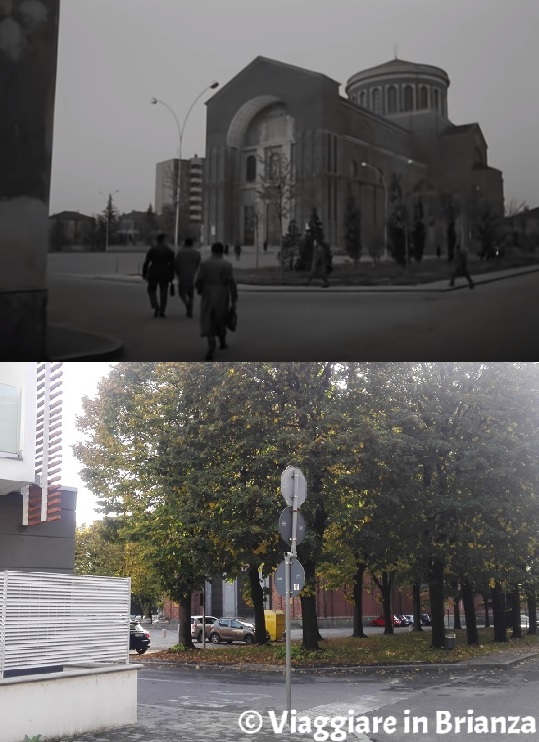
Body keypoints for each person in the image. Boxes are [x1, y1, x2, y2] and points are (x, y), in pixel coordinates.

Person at [195, 242, 238, 361]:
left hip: (208, 292)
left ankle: (211, 341)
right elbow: (232, 283)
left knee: (208, 316)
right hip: (222, 293)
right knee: (221, 316)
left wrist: (200, 290)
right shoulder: (227, 265)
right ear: (223, 251)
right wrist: (234, 298)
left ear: (212, 251)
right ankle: (222, 340)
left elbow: (199, 280)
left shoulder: (205, 264)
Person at [142, 233, 175, 317]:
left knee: (151, 290)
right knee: (163, 292)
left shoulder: (152, 250)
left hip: (153, 272)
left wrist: (144, 273)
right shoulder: (169, 251)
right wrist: (172, 275)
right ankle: (162, 310)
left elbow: (146, 263)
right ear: (164, 240)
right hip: (165, 272)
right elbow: (173, 264)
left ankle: (155, 305)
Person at [174, 237, 201, 318]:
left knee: (181, 293)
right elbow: (198, 264)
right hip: (192, 275)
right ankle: (189, 310)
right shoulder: (196, 253)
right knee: (191, 294)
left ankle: (187, 304)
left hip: (182, 275)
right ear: (192, 244)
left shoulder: (180, 253)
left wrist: (177, 273)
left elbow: (177, 264)